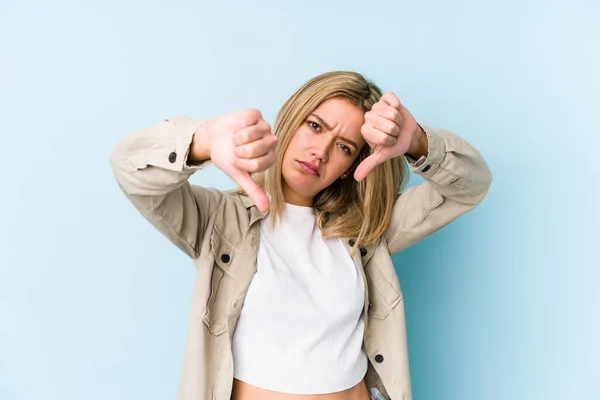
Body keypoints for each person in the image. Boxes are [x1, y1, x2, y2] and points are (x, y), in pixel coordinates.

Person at [109, 71, 492, 400]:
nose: (321, 151)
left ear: (350, 166)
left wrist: (418, 143)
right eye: (315, 126)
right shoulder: (219, 221)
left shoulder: (367, 231)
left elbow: (470, 186)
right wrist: (202, 141)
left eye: (344, 146)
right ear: (291, 121)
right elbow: (130, 171)